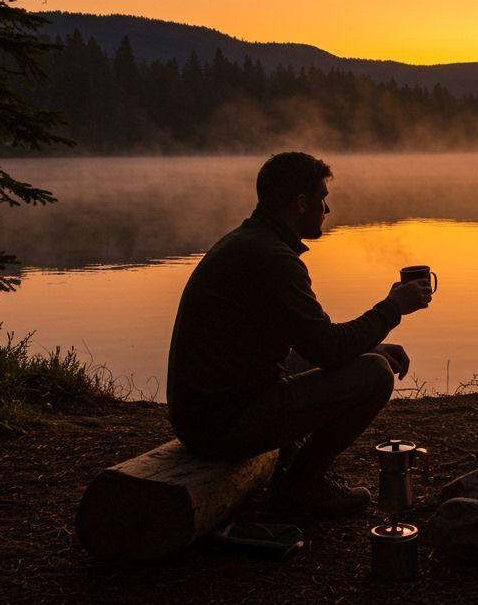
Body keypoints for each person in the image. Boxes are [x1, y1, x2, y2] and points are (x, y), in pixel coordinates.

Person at [166, 151, 432, 516]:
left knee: (359, 359)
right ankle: (301, 486)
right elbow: (328, 348)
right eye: (323, 198)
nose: (328, 209)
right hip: (220, 425)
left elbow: (313, 340)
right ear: (301, 203)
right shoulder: (272, 259)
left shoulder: (252, 243)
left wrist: (370, 344)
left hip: (205, 412)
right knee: (374, 375)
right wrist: (392, 308)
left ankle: (291, 465)